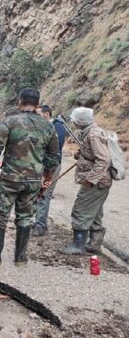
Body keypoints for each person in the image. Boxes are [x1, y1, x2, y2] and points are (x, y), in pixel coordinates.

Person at [0, 88, 59, 267]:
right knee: (25, 217)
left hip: (9, 179)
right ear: (37, 104)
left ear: (19, 102)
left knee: (0, 215)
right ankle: (20, 258)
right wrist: (47, 178)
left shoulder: (11, 121)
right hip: (32, 180)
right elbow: (53, 157)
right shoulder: (48, 126)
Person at [60, 107, 112, 255]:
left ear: (80, 121)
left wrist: (90, 180)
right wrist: (81, 155)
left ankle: (78, 245)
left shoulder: (93, 135)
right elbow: (93, 155)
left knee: (81, 210)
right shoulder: (89, 132)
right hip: (100, 182)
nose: (73, 122)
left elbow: (103, 160)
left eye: (74, 119)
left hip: (97, 182)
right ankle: (94, 245)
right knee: (94, 213)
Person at [32, 105, 67, 237]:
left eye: (38, 113)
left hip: (51, 166)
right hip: (41, 165)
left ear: (46, 114)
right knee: (37, 193)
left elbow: (55, 150)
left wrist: (48, 172)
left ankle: (40, 225)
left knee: (44, 194)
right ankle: (39, 222)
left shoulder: (57, 127)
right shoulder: (43, 127)